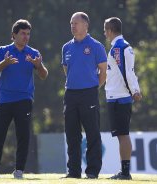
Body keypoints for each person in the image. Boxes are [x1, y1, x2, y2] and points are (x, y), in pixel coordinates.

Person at [0, 19, 48, 179]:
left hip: (24, 100)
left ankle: (19, 171)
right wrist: (5, 62)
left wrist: (39, 65)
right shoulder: (3, 51)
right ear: (13, 35)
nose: (26, 37)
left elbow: (44, 76)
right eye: (23, 33)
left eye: (28, 34)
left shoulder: (34, 53)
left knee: (23, 136)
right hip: (4, 100)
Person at [61, 12, 107, 179]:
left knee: (92, 133)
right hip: (71, 94)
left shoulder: (96, 46)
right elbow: (67, 70)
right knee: (72, 134)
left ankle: (92, 171)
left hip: (89, 93)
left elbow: (103, 71)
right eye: (71, 23)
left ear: (86, 25)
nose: (73, 26)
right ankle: (73, 171)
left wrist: (94, 87)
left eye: (76, 23)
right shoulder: (66, 47)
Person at [104, 17, 142, 180]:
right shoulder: (121, 47)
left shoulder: (118, 48)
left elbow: (127, 72)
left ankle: (125, 172)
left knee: (123, 134)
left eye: (105, 30)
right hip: (117, 97)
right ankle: (124, 171)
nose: (104, 33)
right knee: (121, 134)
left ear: (111, 31)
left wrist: (134, 91)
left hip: (119, 97)